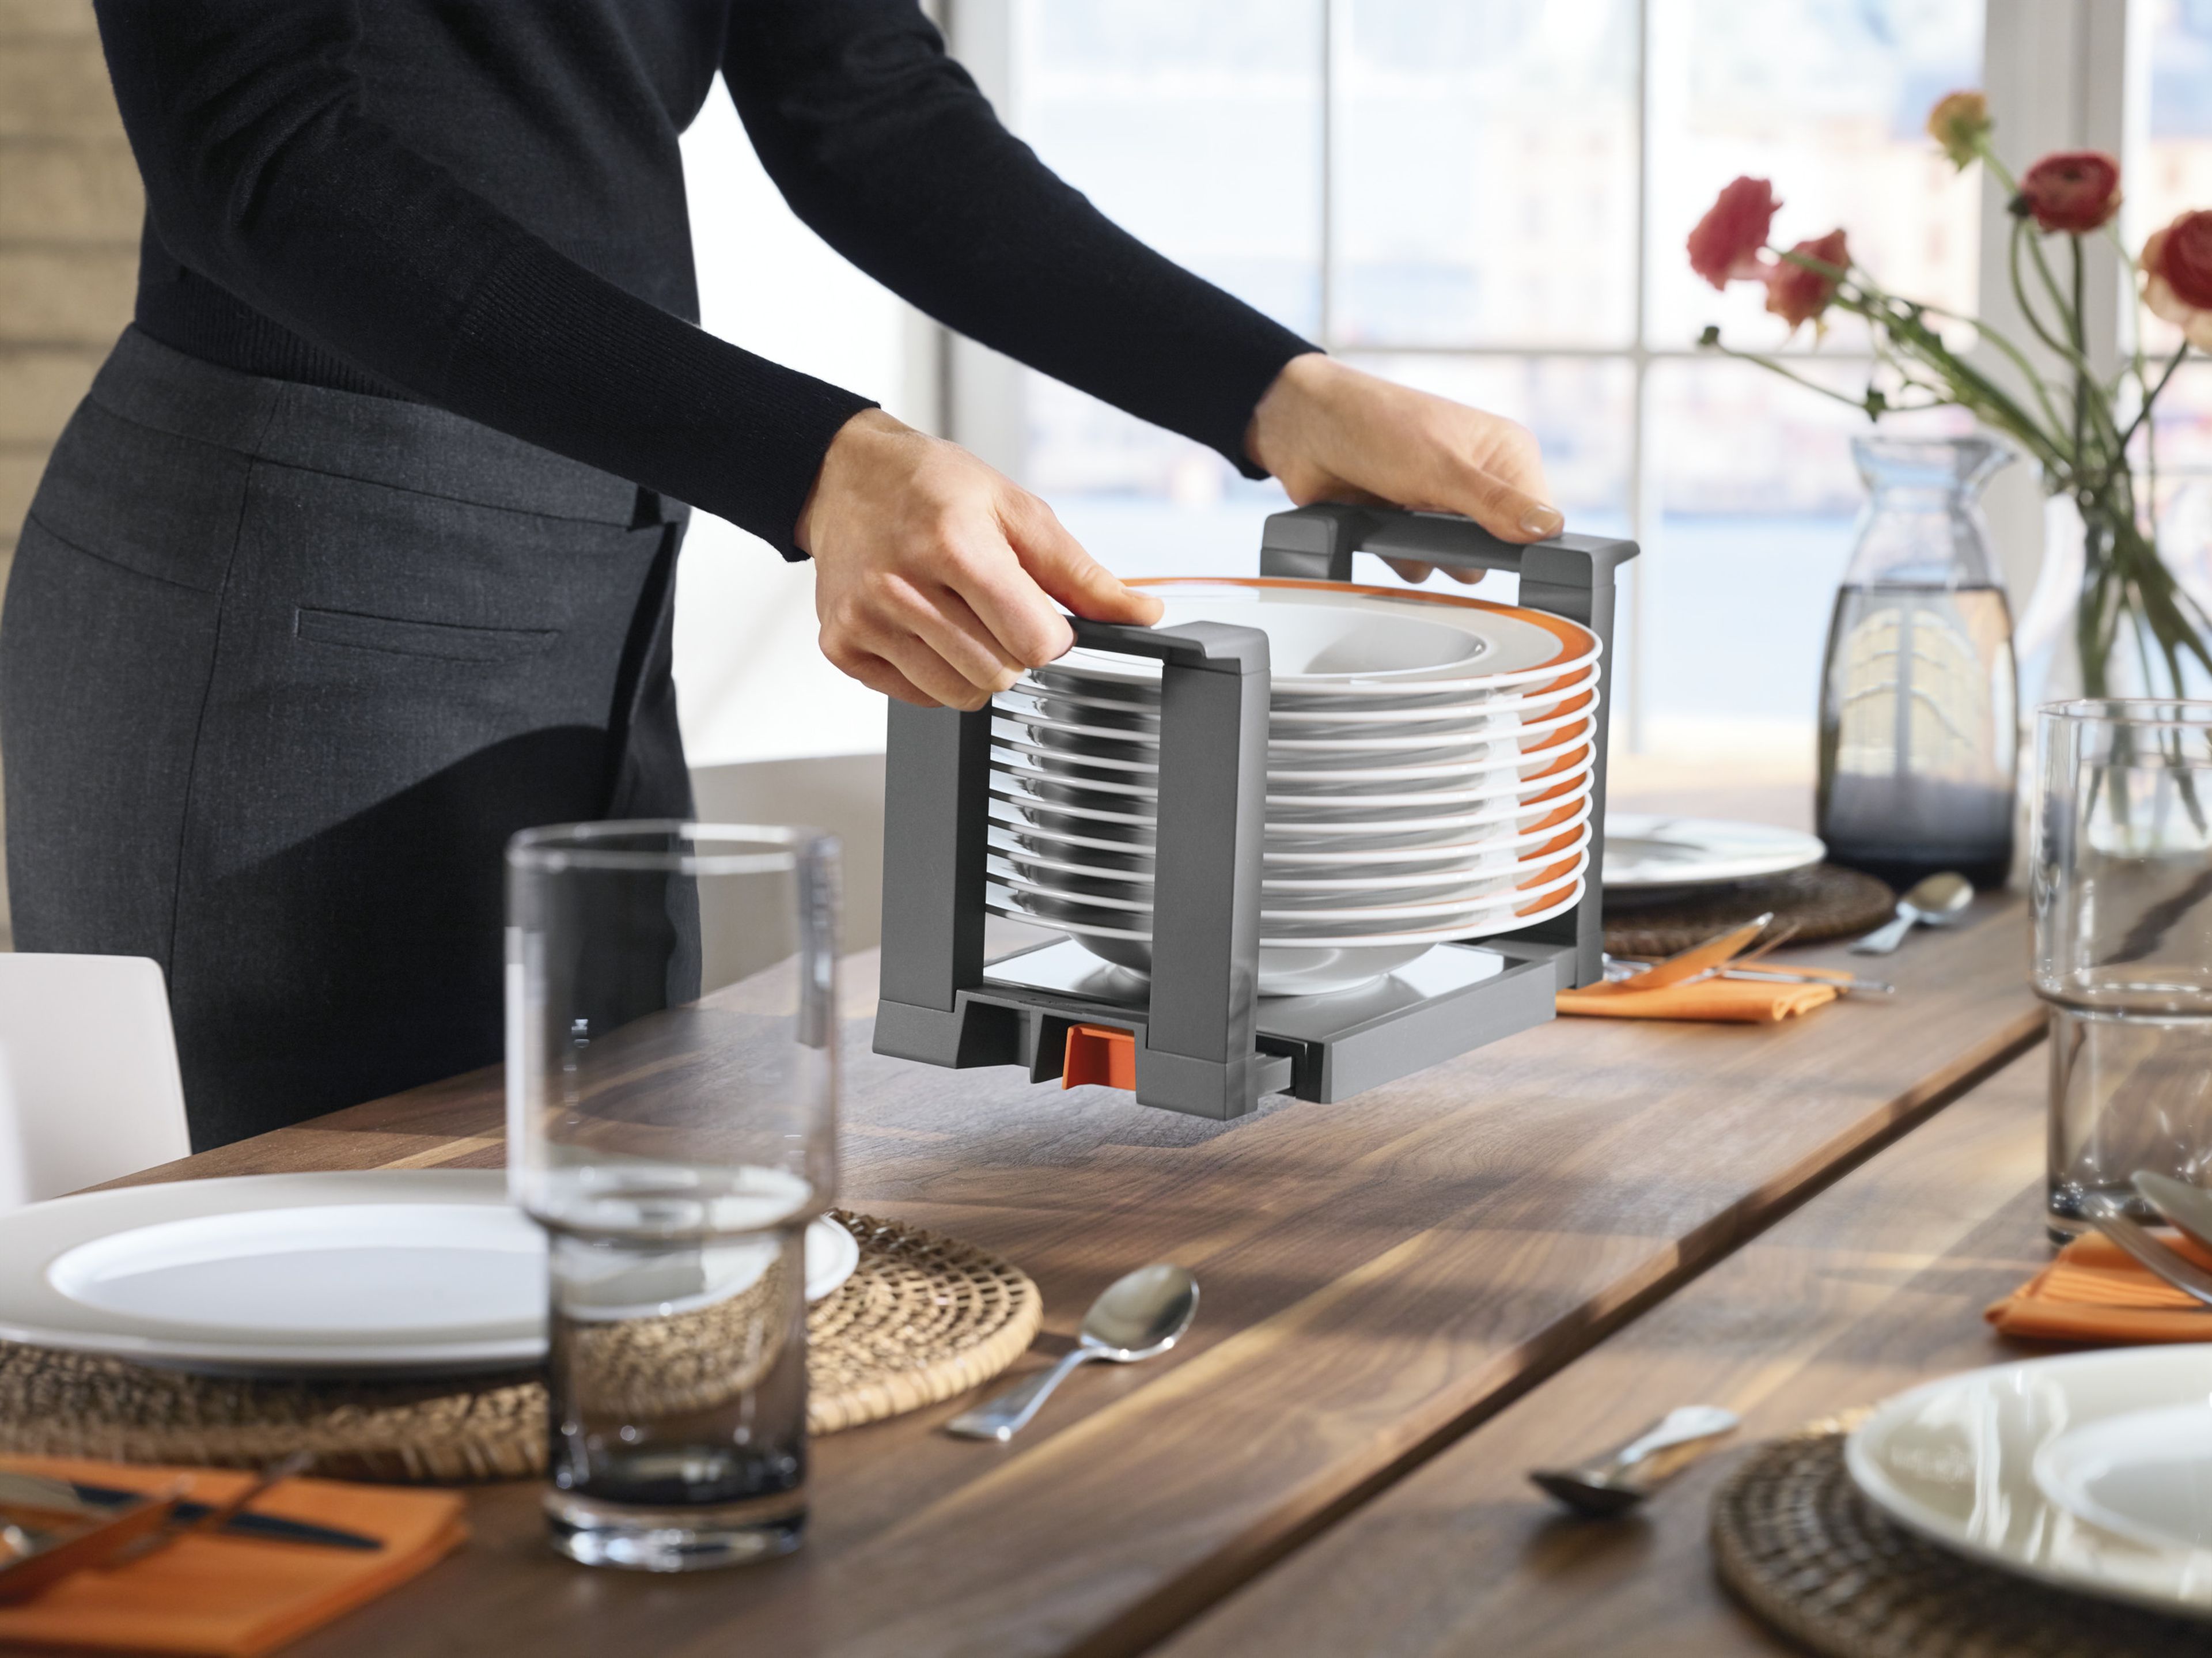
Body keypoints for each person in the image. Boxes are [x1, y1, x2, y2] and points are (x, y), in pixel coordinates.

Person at [3, 1, 1562, 1149]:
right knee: (301, 1349)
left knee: (589, 1273)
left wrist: (1273, 395)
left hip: (596, 560)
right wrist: (818, 461)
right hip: (285, 589)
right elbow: (260, 152)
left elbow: (865, 100)